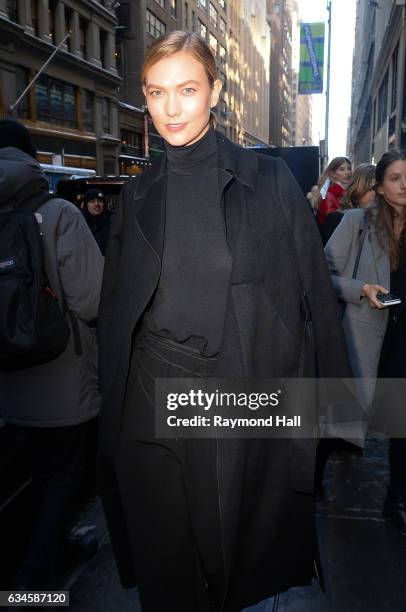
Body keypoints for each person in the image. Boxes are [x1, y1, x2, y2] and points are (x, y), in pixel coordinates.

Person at [97, 31, 352, 612]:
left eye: (186, 89)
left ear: (214, 91)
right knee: (165, 570)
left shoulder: (269, 182)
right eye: (156, 92)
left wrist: (332, 414)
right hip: (146, 394)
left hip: (229, 392)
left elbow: (314, 295)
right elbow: (115, 310)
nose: (170, 107)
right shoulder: (138, 193)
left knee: (227, 562)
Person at [0, 119, 104, 588]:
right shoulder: (58, 213)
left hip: (7, 381)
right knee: (62, 475)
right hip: (62, 380)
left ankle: (47, 547)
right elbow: (92, 299)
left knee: (31, 476)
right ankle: (34, 585)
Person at [324, 149, 406, 535]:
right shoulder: (357, 222)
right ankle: (308, 485)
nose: (404, 185)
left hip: (404, 340)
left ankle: (398, 499)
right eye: (395, 178)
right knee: (340, 421)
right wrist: (361, 290)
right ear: (380, 185)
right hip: (367, 333)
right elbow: (321, 274)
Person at [320, 163, 376, 246]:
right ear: (357, 188)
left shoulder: (386, 219)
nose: (375, 194)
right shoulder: (336, 219)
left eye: (348, 169)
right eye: (370, 189)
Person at [316, 156, 352, 225]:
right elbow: (331, 222)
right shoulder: (330, 193)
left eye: (349, 169)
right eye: (342, 169)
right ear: (332, 173)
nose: (347, 172)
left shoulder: (346, 191)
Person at [82, 188, 111, 256]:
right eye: (92, 201)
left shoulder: (112, 223)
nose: (97, 204)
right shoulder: (79, 223)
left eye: (100, 201)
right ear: (86, 204)